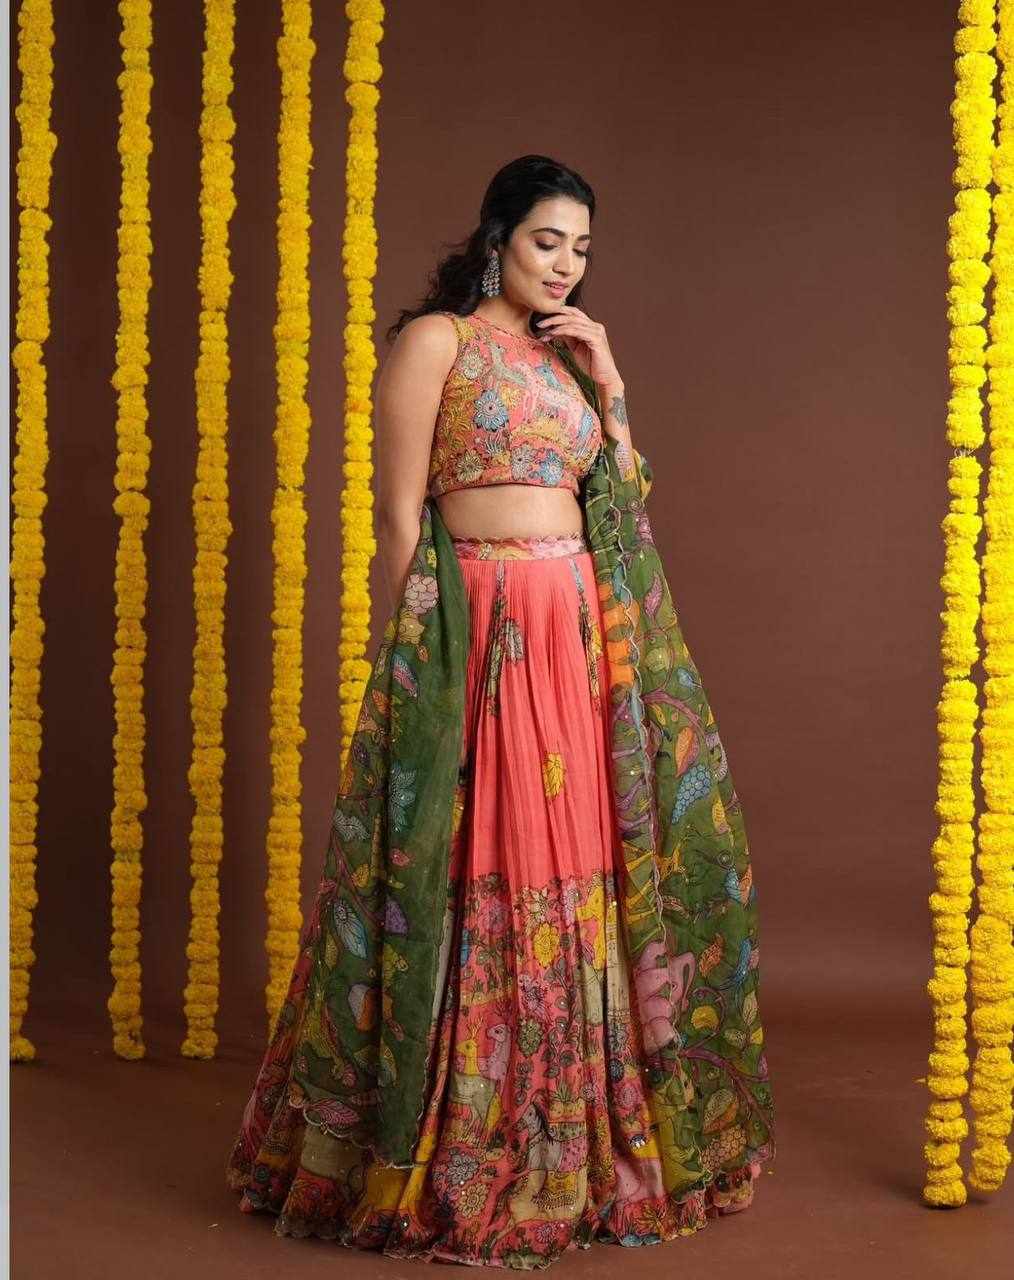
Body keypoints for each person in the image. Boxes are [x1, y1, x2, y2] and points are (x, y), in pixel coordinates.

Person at [225, 153, 776, 1269]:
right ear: (496, 238)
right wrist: (415, 666)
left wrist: (611, 379)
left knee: (576, 866)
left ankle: (576, 1145)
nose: (565, 264)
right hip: (478, 632)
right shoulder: (438, 341)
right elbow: (397, 516)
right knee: (475, 857)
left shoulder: (570, 361)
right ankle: (450, 1138)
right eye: (546, 241)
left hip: (574, 637)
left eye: (581, 248)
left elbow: (622, 500)